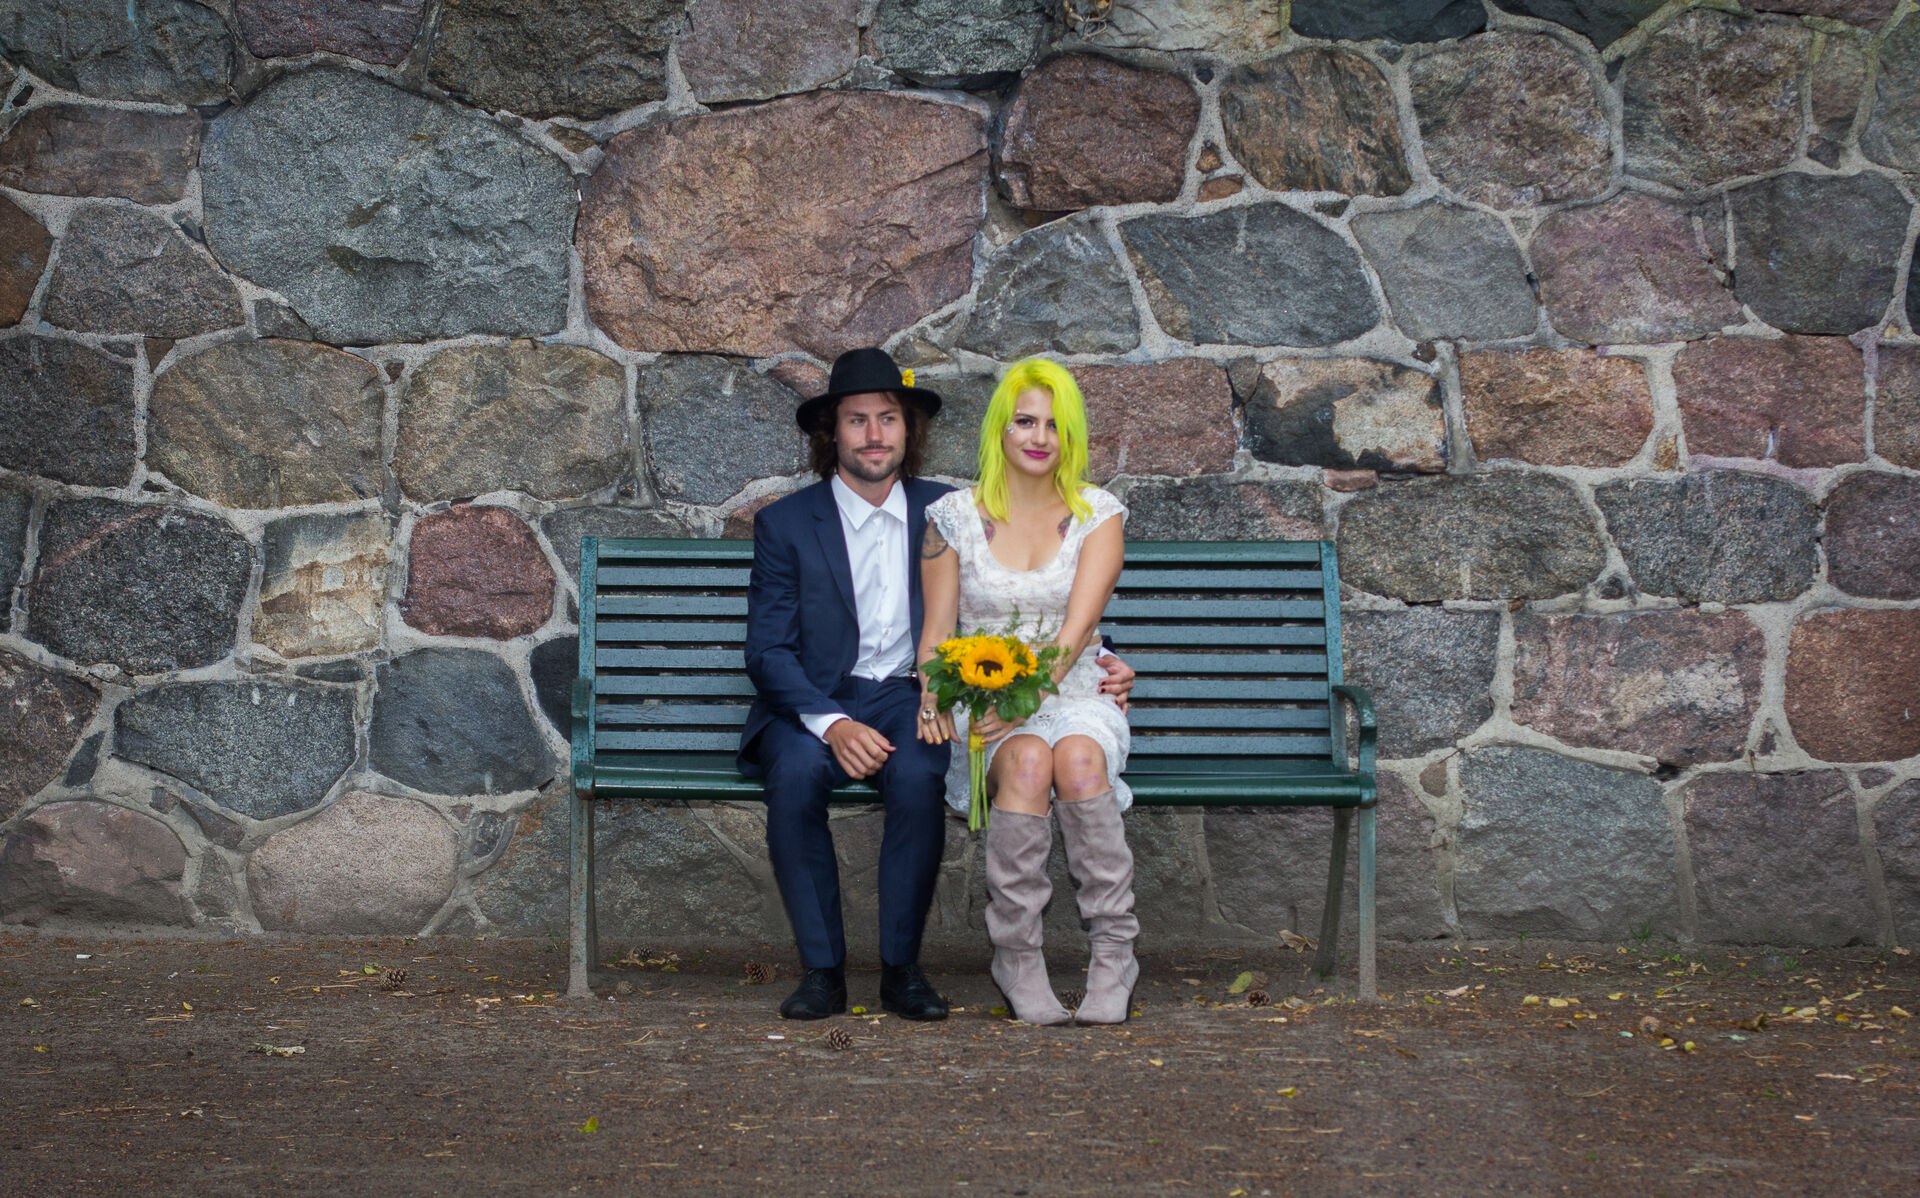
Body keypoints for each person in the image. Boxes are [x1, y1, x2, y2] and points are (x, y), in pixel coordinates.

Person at [739, 348, 1134, 1022]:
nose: (874, 435)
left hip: (911, 695)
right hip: (817, 702)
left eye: (888, 419)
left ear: (908, 430)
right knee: (797, 776)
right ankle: (822, 972)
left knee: (919, 773)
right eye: (857, 420)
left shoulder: (944, 509)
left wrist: (1111, 662)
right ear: (832, 432)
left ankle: (902, 971)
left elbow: (1030, 601)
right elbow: (767, 650)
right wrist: (832, 722)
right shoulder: (788, 523)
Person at [915, 358, 1136, 1026]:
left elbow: (1076, 633)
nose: (1040, 437)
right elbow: (936, 635)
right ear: (1001, 430)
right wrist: (932, 698)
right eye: (1025, 421)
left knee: (1078, 759)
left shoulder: (1098, 514)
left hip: (1074, 690)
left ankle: (1114, 957)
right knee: (1031, 762)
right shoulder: (952, 518)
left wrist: (1027, 704)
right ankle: (1016, 957)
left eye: (1055, 425)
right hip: (985, 700)